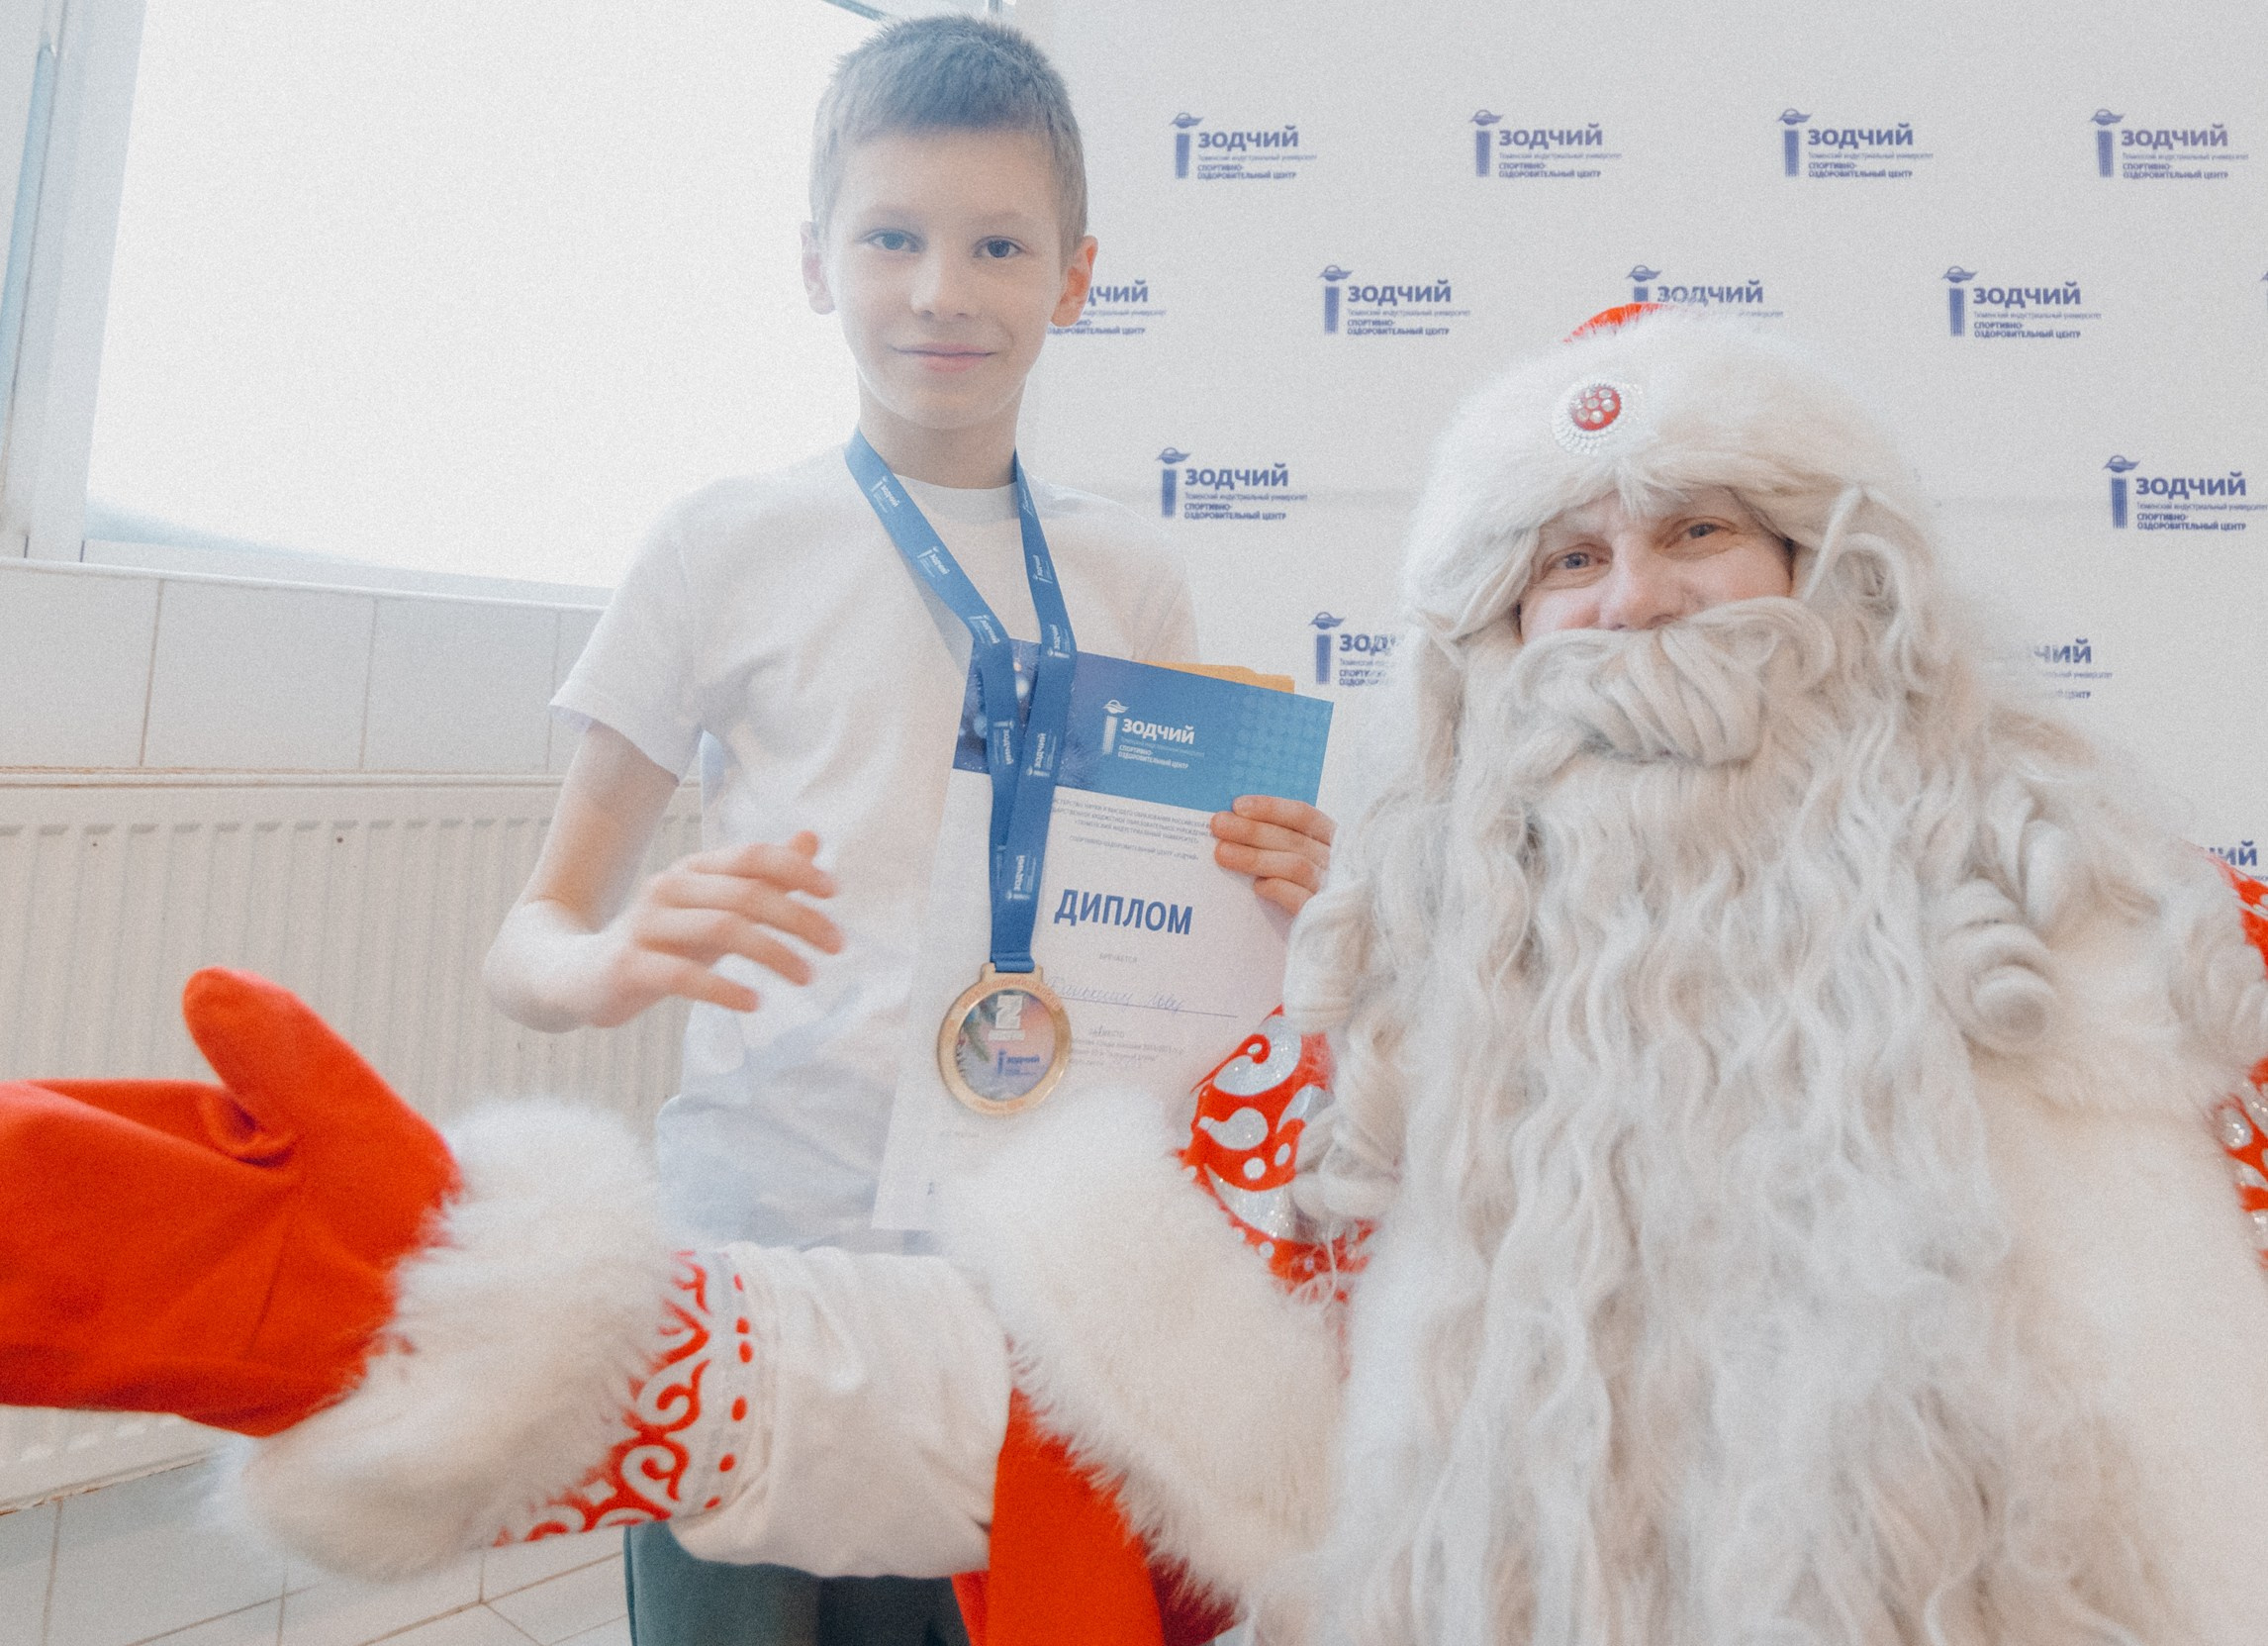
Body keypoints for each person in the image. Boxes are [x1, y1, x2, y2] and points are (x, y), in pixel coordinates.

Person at [948, 304, 2268, 1643]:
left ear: (1833, 577)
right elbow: (1023, 1368)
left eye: (1700, 530)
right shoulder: (1376, 1059)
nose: (1634, 602)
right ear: (1499, 644)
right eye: (1571, 558)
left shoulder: (2161, 955)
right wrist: (734, 1349)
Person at [478, 16, 1330, 1641]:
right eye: (893, 237)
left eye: (999, 243)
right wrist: (603, 968)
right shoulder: (721, 544)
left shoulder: (1132, 581)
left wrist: (1281, 904)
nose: (943, 288)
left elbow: (1177, 959)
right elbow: (529, 940)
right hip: (745, 1261)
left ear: (1075, 277)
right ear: (816, 264)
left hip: (1003, 1287)